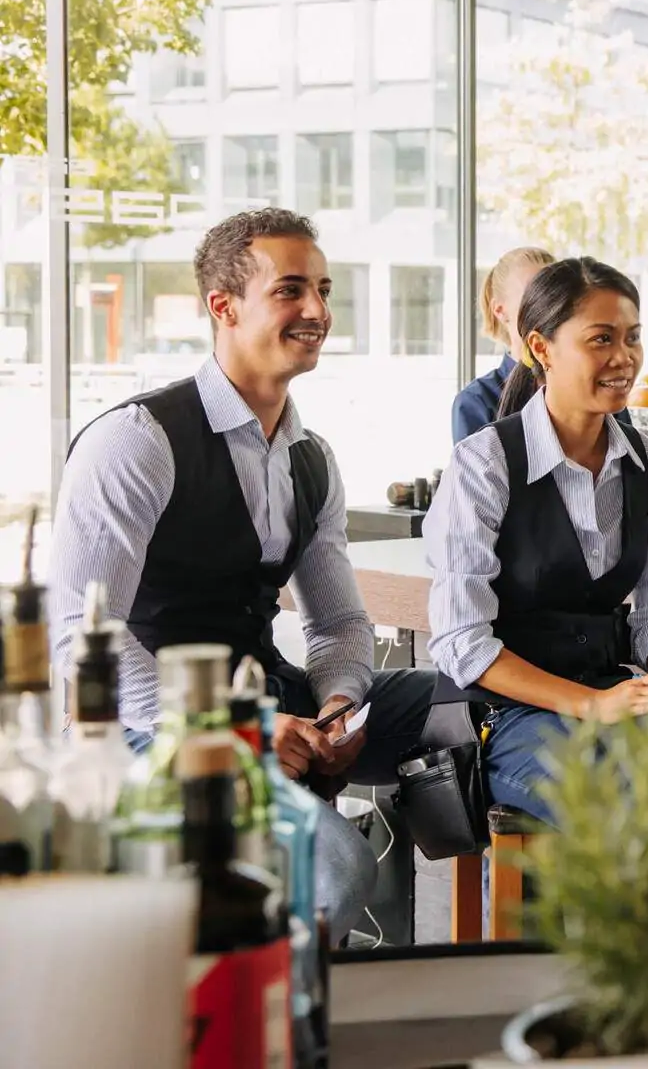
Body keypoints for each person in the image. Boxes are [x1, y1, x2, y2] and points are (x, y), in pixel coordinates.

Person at [51, 208, 435, 938]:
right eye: (290, 290)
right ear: (222, 307)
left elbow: (339, 623)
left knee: (465, 705)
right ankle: (270, 1023)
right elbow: (81, 637)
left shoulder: (310, 457)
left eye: (323, 289)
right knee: (335, 869)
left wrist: (340, 701)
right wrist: (246, 729)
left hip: (273, 699)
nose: (317, 310)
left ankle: (439, 969)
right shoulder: (136, 442)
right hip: (150, 729)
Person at [425, 257, 648, 826]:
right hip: (501, 716)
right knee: (624, 807)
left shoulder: (647, 464)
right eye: (600, 339)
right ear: (542, 347)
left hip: (606, 697)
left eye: (633, 338)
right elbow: (462, 642)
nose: (623, 357)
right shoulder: (484, 463)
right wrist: (595, 706)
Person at [452, 246, 554, 444]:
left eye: (554, 295)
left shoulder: (591, 387)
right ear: (500, 310)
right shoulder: (477, 402)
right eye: (532, 296)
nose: (548, 306)